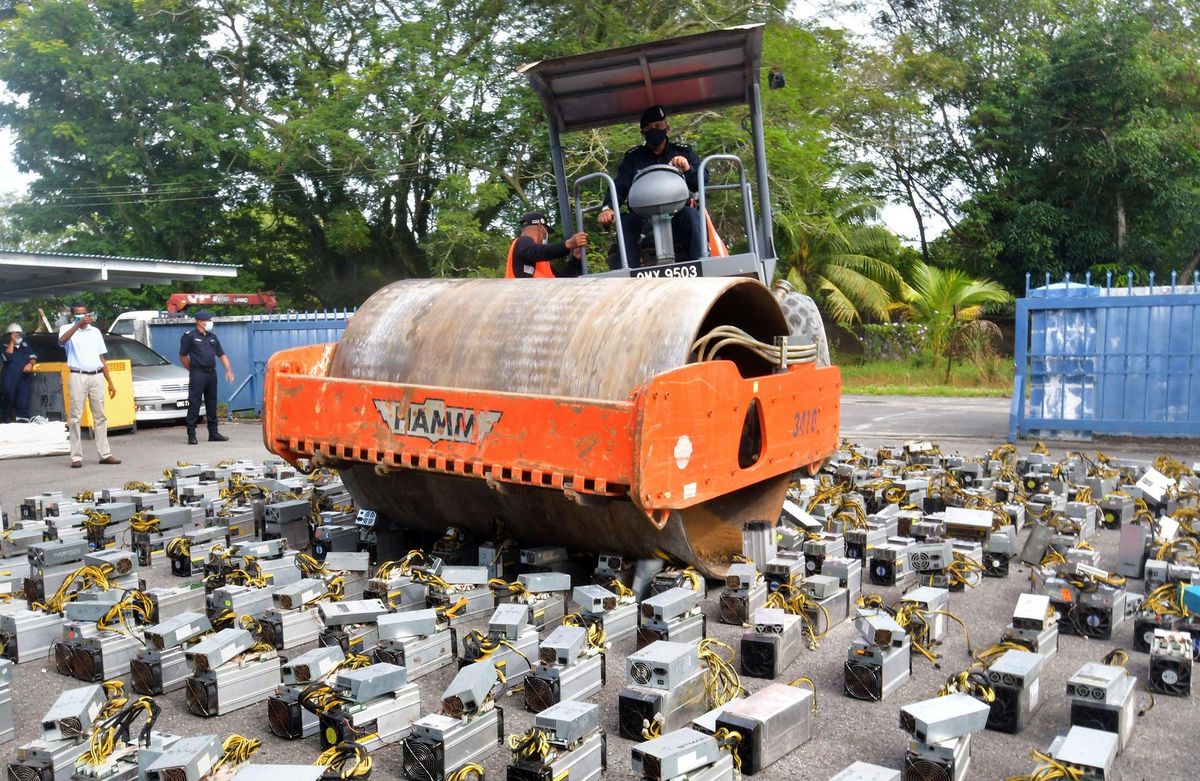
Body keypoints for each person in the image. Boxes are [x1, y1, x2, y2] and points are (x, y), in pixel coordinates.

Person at [598, 105, 704, 267]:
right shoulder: (633, 158)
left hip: (677, 214)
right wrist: (608, 208)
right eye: (649, 128)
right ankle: (627, 275)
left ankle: (700, 265)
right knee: (626, 224)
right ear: (643, 132)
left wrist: (687, 168)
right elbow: (620, 186)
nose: (654, 130)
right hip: (643, 219)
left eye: (658, 126)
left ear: (667, 128)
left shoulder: (683, 152)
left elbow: (700, 184)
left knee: (691, 216)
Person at [58, 303, 120, 467]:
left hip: (96, 375)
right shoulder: (67, 329)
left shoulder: (95, 332)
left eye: (85, 313)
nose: (83, 316)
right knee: (76, 417)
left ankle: (105, 454)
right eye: (79, 314)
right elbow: (62, 341)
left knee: (100, 416)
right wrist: (77, 325)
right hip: (78, 375)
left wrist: (110, 382)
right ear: (73, 316)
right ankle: (76, 457)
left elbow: (101, 357)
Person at [179, 310, 234, 445]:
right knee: (195, 402)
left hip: (211, 373)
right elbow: (183, 356)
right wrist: (192, 369)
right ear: (199, 321)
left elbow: (222, 355)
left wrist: (228, 370)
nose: (210, 322)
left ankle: (213, 433)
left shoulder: (212, 337)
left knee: (211, 402)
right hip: (198, 373)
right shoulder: (189, 336)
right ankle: (191, 434)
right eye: (207, 320)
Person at [504, 213, 588, 278]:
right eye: (547, 232)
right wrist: (567, 244)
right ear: (540, 227)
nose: (547, 235)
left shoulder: (542, 259)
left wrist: (576, 260)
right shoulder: (522, 242)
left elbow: (559, 281)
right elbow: (534, 252)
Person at [0, 323, 37, 422]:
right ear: (9, 335)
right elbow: (8, 356)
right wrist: (12, 341)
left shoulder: (25, 345)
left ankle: (22, 422)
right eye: (15, 334)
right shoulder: (3, 345)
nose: (18, 336)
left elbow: (33, 357)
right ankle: (5, 420)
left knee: (23, 400)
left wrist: (30, 364)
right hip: (9, 378)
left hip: (23, 378)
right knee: (8, 398)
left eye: (19, 334)